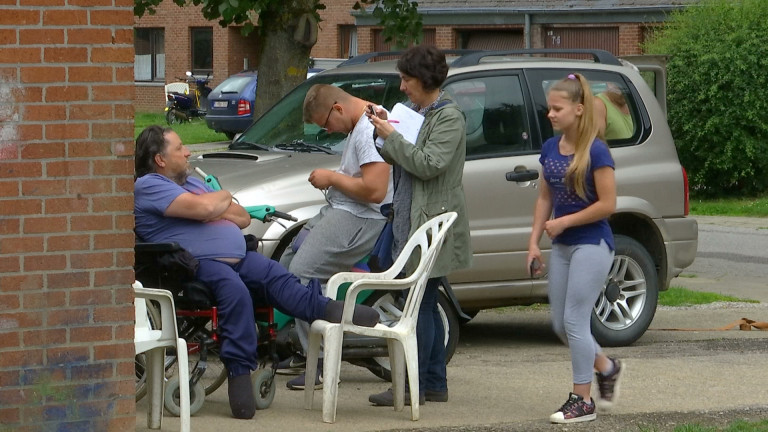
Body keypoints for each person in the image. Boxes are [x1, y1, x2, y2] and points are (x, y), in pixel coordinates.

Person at [133, 125, 379, 420]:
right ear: (160, 159)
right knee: (234, 292)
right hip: (191, 265)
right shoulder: (149, 185)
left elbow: (241, 217)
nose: (188, 152)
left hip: (237, 256)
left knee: (275, 275)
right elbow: (204, 210)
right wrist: (219, 198)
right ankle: (239, 374)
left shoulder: (190, 183)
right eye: (179, 148)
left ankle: (327, 308)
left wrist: (215, 205)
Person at [367, 45, 472, 407]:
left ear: (425, 79)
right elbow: (396, 158)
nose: (401, 86)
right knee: (422, 305)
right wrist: (381, 129)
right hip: (410, 219)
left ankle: (415, 387)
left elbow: (428, 164)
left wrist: (391, 136)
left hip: (429, 224)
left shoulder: (449, 117)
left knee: (420, 305)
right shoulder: (413, 111)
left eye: (406, 79)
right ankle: (432, 384)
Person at [278, 84, 393, 390]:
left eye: (325, 124)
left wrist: (331, 178)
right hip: (343, 211)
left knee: (301, 274)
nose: (327, 131)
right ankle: (308, 348)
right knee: (287, 264)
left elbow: (376, 191)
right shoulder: (362, 120)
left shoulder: (369, 130)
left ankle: (320, 363)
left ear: (338, 108)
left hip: (360, 218)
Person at [527, 73, 623, 424]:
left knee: (575, 320)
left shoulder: (596, 150)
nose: (550, 114)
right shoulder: (551, 149)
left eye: (557, 108)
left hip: (592, 244)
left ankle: (582, 401)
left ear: (578, 109)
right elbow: (544, 198)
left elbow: (608, 204)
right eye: (549, 108)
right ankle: (607, 367)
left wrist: (565, 222)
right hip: (563, 245)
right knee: (560, 325)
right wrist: (533, 241)